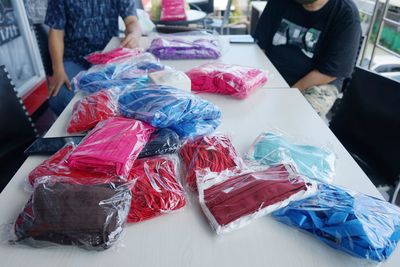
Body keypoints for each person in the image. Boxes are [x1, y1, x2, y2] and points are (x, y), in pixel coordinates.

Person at [253, 0, 361, 117]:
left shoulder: (346, 13)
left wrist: (286, 94)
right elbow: (260, 46)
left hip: (316, 83)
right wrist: (259, 81)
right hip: (272, 72)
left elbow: (328, 73)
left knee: (294, 118)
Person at [44, 0, 141, 115]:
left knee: (118, 97)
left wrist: (134, 34)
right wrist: (58, 69)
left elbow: (131, 21)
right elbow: (56, 32)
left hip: (108, 57)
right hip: (75, 58)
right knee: (59, 98)